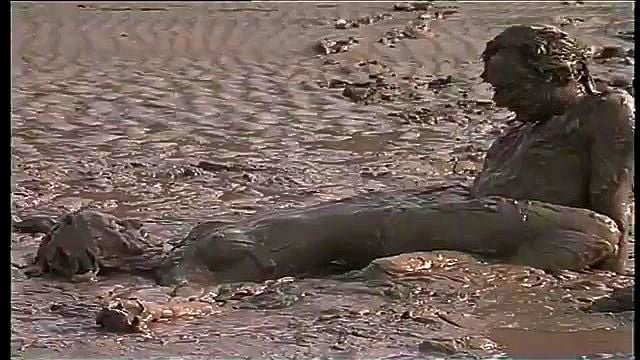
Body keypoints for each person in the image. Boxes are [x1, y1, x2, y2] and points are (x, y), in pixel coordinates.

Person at [13, 25, 634, 331]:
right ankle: (191, 265)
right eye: (496, 89)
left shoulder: (604, 110)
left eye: (513, 87)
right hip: (487, 221)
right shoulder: (519, 132)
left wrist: (614, 266)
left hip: (538, 229)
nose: (502, 100)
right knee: (340, 221)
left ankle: (185, 286)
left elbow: (612, 202)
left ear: (560, 73)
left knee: (354, 231)